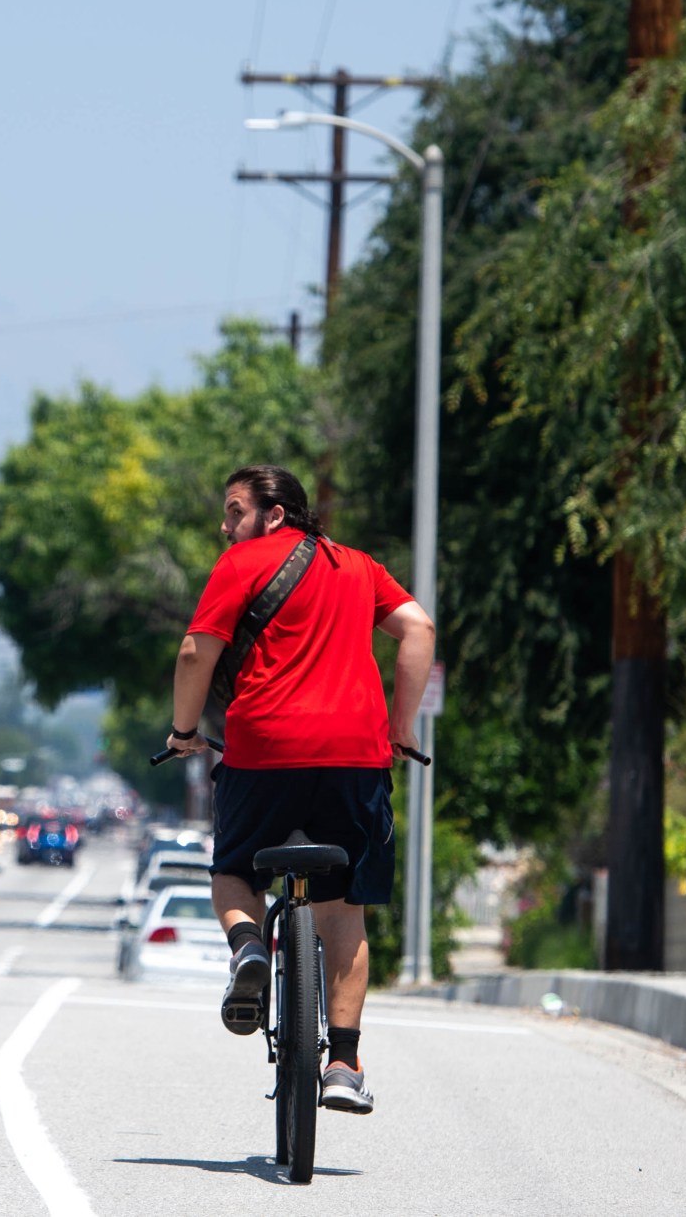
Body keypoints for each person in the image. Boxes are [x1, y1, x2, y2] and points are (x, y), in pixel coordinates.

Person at [164, 464, 435, 1116]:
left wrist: (182, 731)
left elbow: (197, 652)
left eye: (234, 511)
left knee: (233, 870)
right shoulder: (360, 566)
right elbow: (418, 629)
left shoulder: (242, 564)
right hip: (354, 755)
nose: (224, 526)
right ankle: (343, 1061)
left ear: (275, 514)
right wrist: (400, 728)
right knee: (343, 909)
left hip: (263, 753)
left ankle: (250, 947)